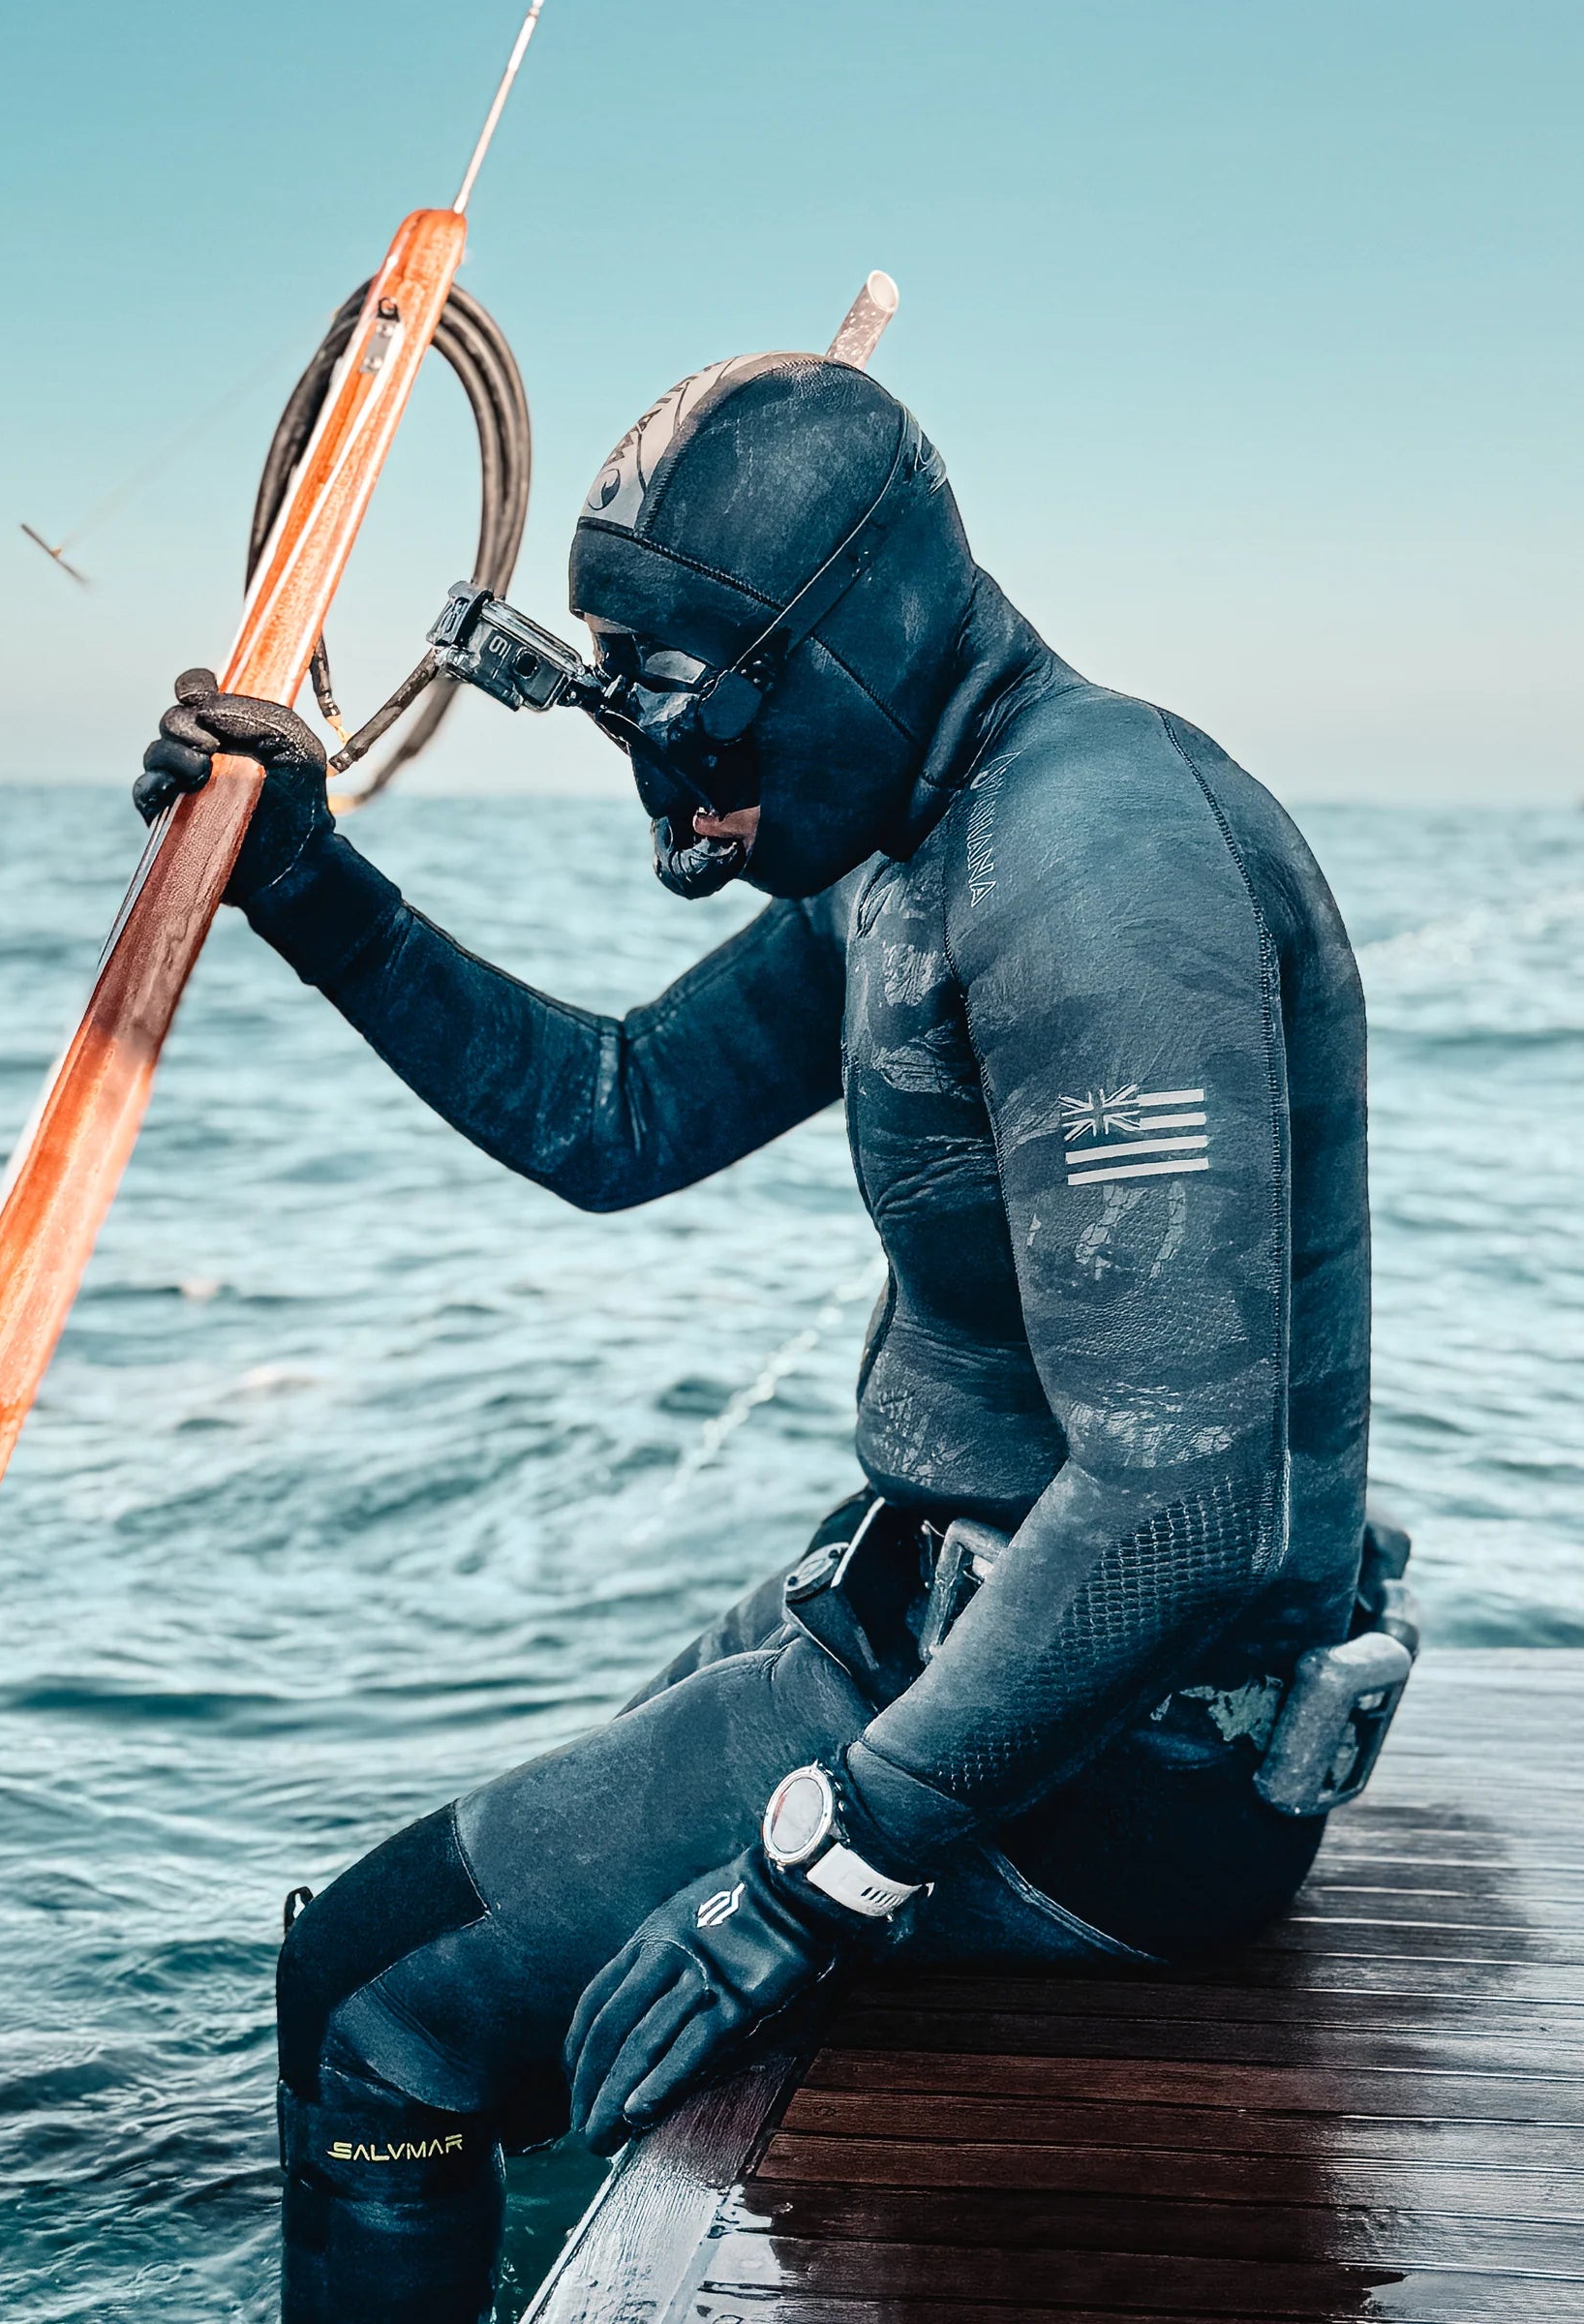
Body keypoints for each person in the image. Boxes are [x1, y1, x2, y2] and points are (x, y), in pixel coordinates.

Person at [137, 351, 1373, 2323]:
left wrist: (822, 1871)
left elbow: (1182, 1493)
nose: (675, 787)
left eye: (701, 703)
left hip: (1117, 1762)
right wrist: (311, 883)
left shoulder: (1094, 866)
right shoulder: (917, 837)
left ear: (857, 630)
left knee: (363, 1996)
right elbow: (620, 1114)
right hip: (920, 1622)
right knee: (513, 1896)